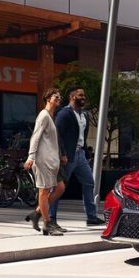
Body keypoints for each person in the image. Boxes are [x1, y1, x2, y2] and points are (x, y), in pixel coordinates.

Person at [49, 87, 106, 231]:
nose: (83, 97)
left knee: (89, 182)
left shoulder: (84, 115)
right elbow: (57, 135)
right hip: (67, 156)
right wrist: (62, 154)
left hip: (80, 155)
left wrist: (86, 152)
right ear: (72, 96)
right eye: (81, 95)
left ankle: (91, 217)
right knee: (58, 188)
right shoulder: (64, 114)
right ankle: (51, 218)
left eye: (84, 95)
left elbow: (82, 136)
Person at [24, 88, 67, 236]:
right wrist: (31, 156)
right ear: (48, 98)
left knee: (60, 187)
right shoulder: (43, 115)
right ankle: (47, 224)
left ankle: (37, 213)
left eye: (60, 97)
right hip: (43, 160)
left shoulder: (51, 116)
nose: (59, 98)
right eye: (56, 96)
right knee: (43, 191)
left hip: (52, 161)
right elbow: (35, 136)